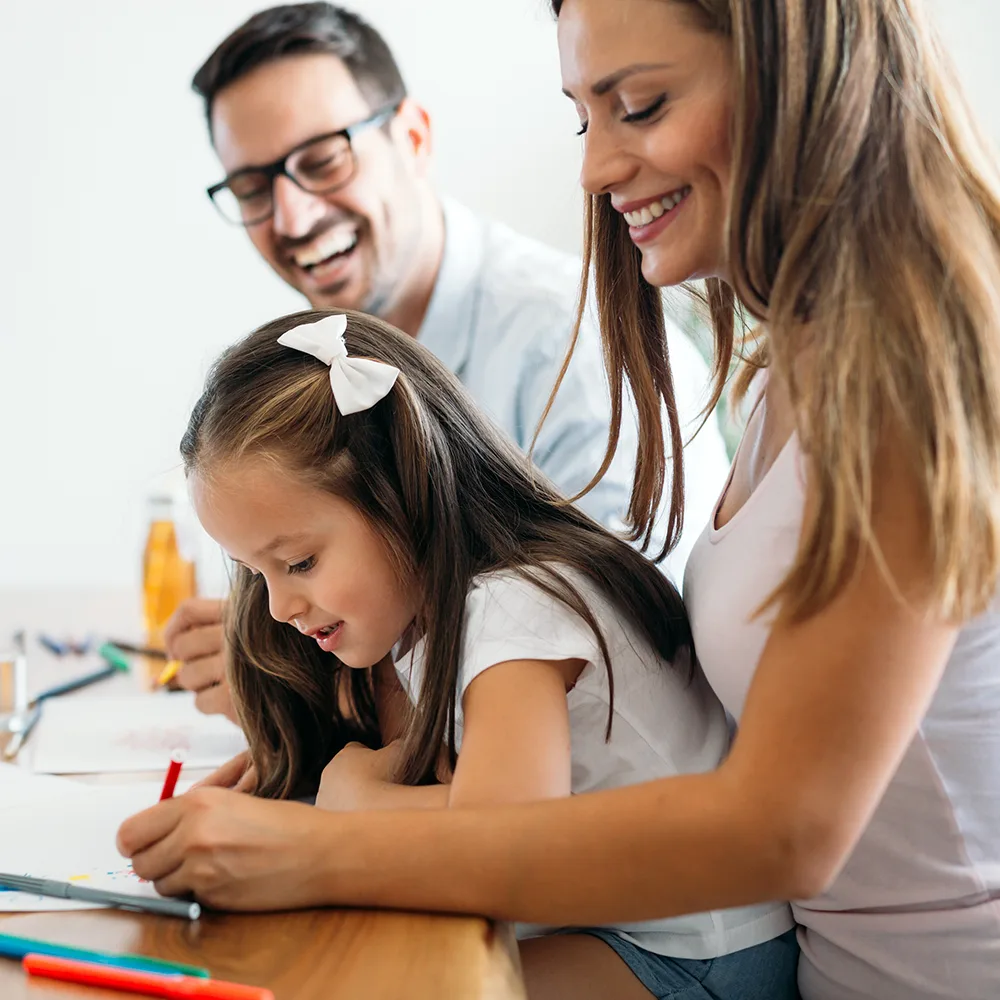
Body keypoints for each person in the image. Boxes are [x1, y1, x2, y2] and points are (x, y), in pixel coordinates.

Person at [119, 0, 1000, 997]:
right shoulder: (788, 366)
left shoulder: (909, 379)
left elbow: (782, 827)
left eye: (639, 103)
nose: (592, 170)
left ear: (795, 70)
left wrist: (317, 840)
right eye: (587, 117)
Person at [160, 307, 798, 998]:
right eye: (257, 573)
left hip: (698, 954)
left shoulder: (512, 607)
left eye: (300, 562)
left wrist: (353, 801)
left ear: (399, 492)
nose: (279, 606)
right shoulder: (427, 617)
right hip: (619, 929)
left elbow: (504, 841)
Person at [166, 2, 729, 720]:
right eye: (252, 189)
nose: (293, 218)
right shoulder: (323, 371)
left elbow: (613, 651)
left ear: (413, 137)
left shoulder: (572, 347)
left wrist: (310, 681)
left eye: (322, 161)